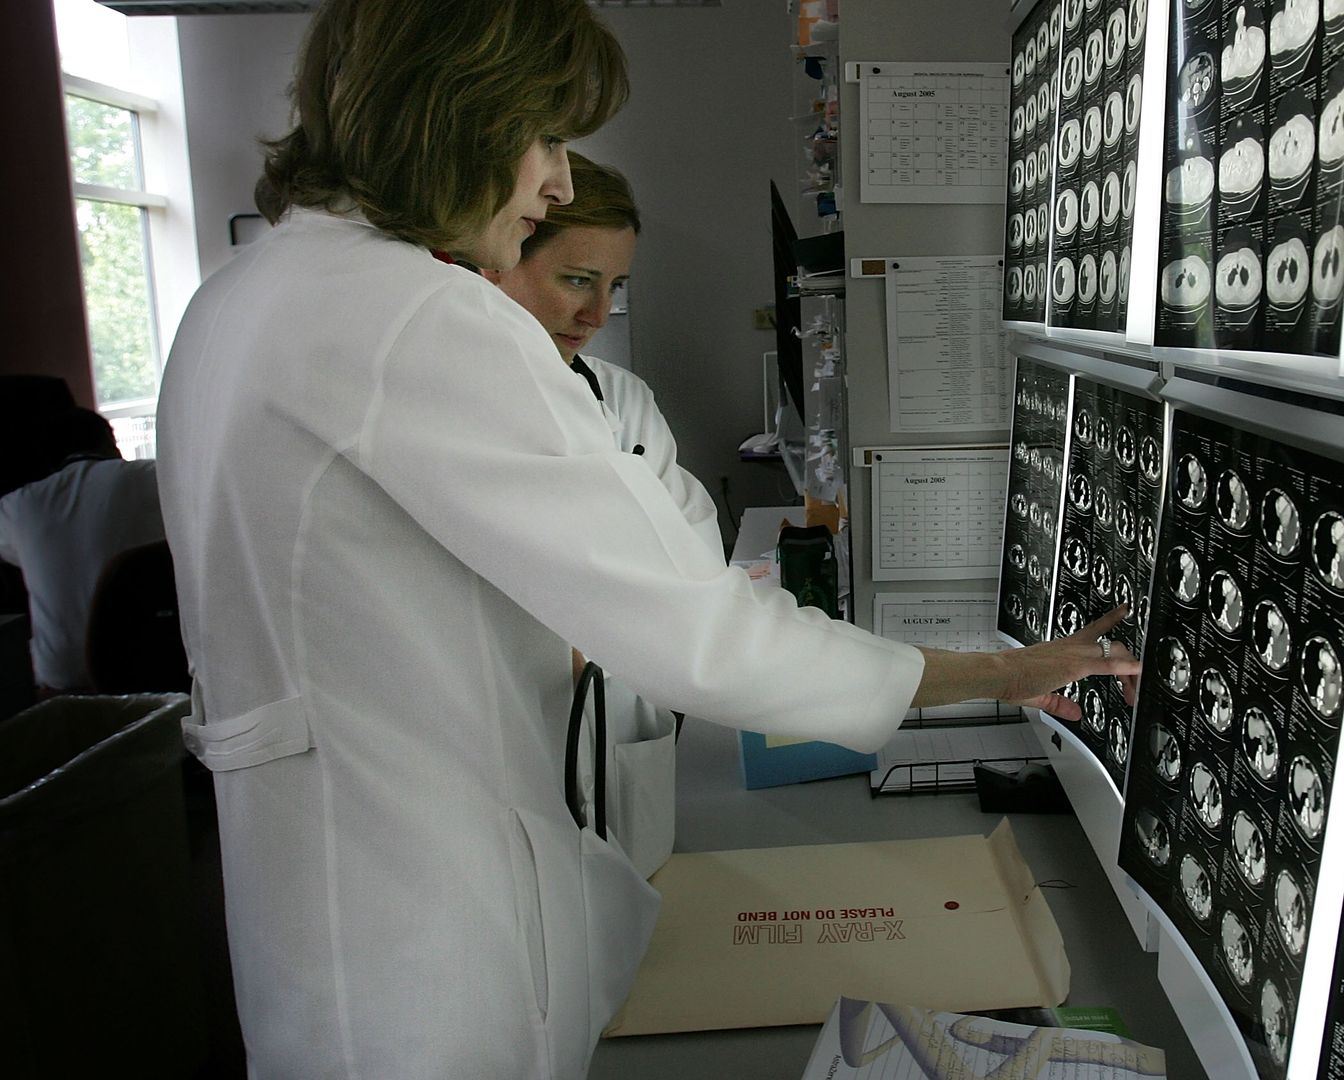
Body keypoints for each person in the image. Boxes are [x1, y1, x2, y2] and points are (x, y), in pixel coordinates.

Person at [155, 2, 1135, 1077]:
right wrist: (1005, 674)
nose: (558, 185)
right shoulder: (408, 315)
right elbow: (704, 638)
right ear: (454, 116)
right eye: (544, 137)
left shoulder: (244, 298)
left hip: (331, 930)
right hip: (427, 955)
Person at [486, 151, 706, 877]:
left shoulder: (624, 399)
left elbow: (695, 567)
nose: (597, 312)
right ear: (497, 259)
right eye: (577, 279)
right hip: (507, 754)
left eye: (614, 285)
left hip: (621, 726)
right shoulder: (451, 407)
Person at [0, 407, 165, 691]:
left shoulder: (17, 506)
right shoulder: (150, 478)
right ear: (107, 441)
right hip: (147, 674)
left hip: (59, 684)